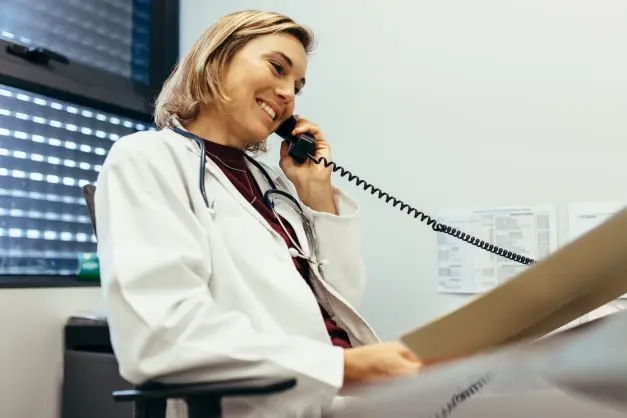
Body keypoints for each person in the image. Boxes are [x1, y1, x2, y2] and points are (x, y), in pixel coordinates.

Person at [94, 9, 421, 418]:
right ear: (217, 57)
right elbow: (161, 335)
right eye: (277, 68)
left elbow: (340, 306)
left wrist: (316, 193)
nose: (288, 94)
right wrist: (341, 368)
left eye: (297, 85)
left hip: (331, 401)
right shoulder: (147, 158)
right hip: (263, 406)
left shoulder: (272, 182)